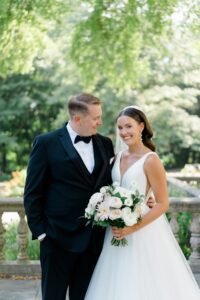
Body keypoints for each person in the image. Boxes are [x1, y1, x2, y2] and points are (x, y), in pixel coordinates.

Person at [85, 106, 200, 300]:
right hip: (115, 231)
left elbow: (163, 203)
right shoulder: (117, 157)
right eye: (120, 128)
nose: (124, 132)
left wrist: (132, 227)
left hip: (142, 232)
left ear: (141, 126)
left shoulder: (151, 160)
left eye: (128, 126)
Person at [24, 93, 115, 300]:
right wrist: (41, 233)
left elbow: (112, 182)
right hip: (57, 239)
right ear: (77, 118)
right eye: (96, 118)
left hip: (93, 239)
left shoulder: (105, 143)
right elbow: (32, 193)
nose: (100, 122)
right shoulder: (46, 143)